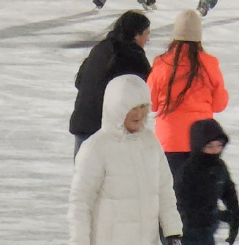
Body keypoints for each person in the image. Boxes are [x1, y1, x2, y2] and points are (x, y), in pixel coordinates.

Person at [69, 74, 183, 245]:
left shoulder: (150, 143)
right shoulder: (97, 148)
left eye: (143, 106)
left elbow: (165, 190)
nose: (139, 114)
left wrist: (172, 232)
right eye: (132, 108)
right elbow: (81, 203)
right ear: (117, 108)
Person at [147, 10, 229, 176]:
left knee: (171, 195)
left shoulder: (161, 63)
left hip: (169, 140)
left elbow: (151, 102)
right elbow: (220, 104)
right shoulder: (209, 63)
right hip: (202, 140)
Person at [69, 11, 151, 156]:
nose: (148, 39)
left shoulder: (100, 48)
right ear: (136, 35)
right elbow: (147, 91)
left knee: (83, 176)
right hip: (106, 130)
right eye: (146, 33)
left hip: (83, 122)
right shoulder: (134, 57)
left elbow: (79, 81)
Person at [175, 119, 239, 245]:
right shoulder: (188, 172)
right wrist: (218, 215)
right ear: (198, 146)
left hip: (208, 229)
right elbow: (187, 208)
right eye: (209, 147)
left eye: (219, 146)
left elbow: (228, 190)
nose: (215, 151)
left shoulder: (219, 167)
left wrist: (235, 216)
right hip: (186, 232)